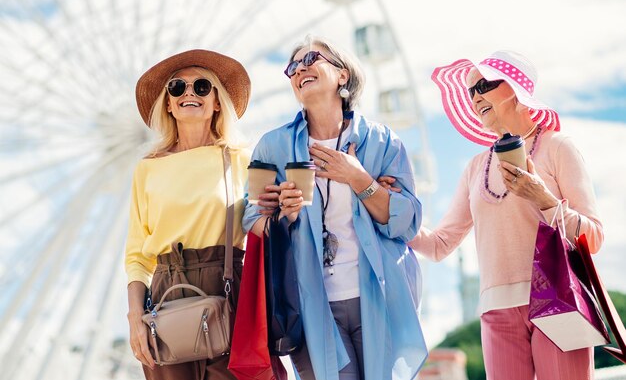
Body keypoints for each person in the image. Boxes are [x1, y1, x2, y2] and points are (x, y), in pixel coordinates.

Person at [405, 50, 603, 380]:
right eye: (471, 90)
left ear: (514, 88)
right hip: (496, 309)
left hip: (559, 297)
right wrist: (383, 208)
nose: (476, 96)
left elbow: (593, 237)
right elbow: (439, 245)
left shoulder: (558, 147)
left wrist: (542, 198)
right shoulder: (474, 169)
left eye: (484, 85)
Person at [243, 36, 428, 380]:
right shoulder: (271, 147)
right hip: (309, 304)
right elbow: (250, 218)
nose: (301, 69)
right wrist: (284, 214)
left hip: (379, 297)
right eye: (292, 67)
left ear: (343, 75)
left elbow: (407, 222)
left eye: (312, 58)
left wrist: (359, 179)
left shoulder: (384, 142)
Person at [125, 49, 251, 380]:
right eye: (178, 88)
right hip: (165, 293)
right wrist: (135, 318)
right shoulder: (148, 169)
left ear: (218, 101)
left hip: (227, 289)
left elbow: (269, 223)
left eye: (202, 86)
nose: (189, 94)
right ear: (167, 103)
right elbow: (137, 256)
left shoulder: (243, 160)